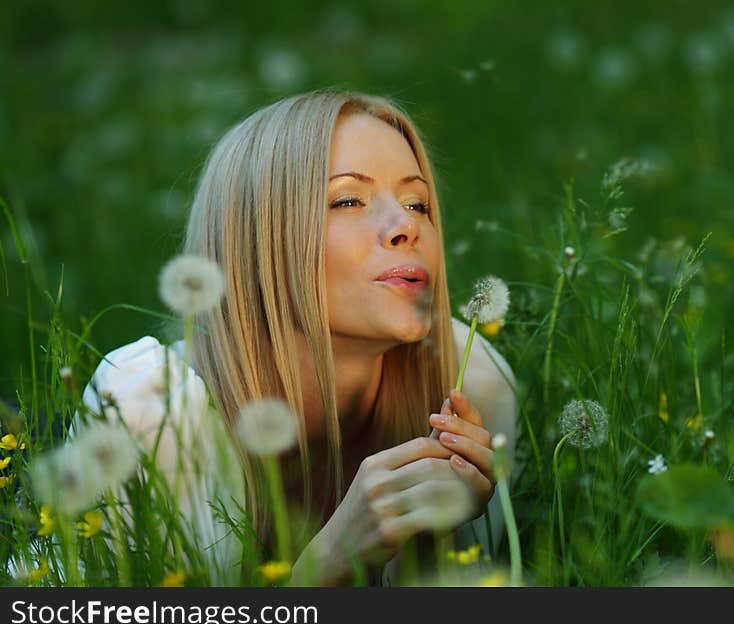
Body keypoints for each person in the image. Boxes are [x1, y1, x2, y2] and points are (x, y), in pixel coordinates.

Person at [75, 89, 520, 586]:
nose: (405, 227)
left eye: (418, 203)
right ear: (257, 237)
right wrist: (323, 571)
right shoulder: (153, 416)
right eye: (348, 199)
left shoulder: (471, 382)